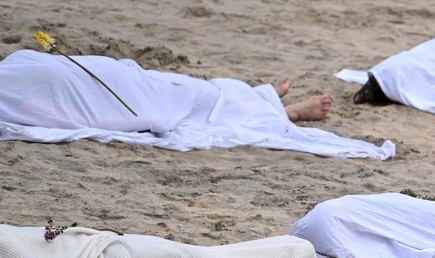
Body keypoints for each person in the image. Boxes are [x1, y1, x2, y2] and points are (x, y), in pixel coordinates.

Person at [0, 50, 394, 158]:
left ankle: (265, 99)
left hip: (99, 77)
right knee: (164, 111)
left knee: (172, 88)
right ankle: (279, 108)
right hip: (85, 99)